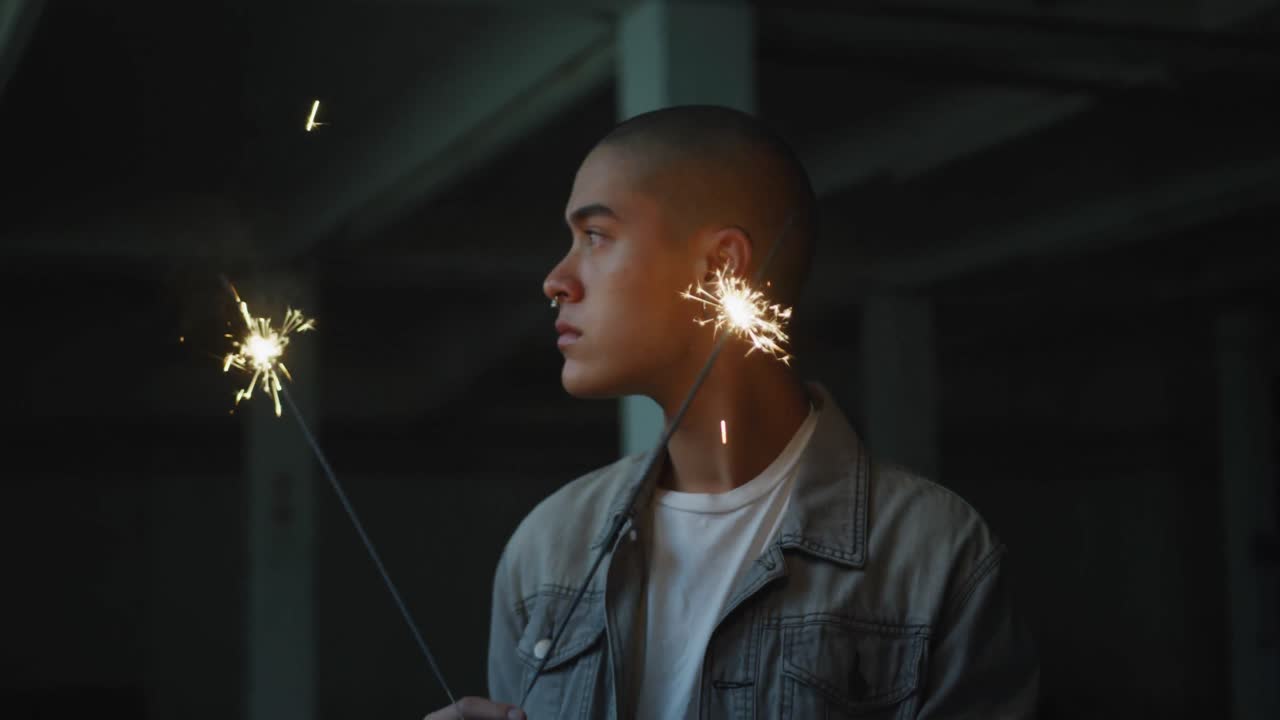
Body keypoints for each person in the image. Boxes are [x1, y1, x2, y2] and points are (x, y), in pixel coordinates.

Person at [424, 105, 1038, 720]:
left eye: (596, 236)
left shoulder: (936, 556)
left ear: (721, 267)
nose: (556, 280)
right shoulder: (547, 548)